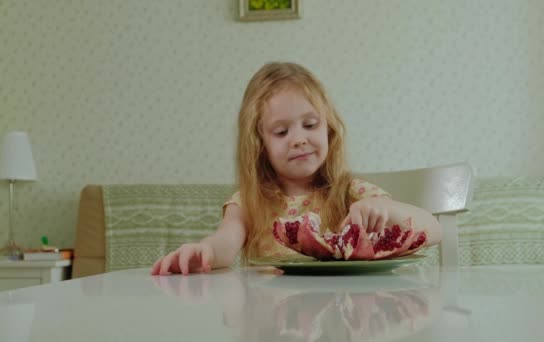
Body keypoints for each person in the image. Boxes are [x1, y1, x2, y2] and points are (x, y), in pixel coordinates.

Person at [151, 62, 441, 276]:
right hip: (272, 321)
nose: (299, 139)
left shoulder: (352, 192)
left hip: (344, 319)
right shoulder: (249, 201)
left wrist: (384, 210)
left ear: (328, 129)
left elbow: (434, 229)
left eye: (310, 125)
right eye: (280, 132)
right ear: (259, 144)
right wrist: (205, 251)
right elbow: (225, 242)